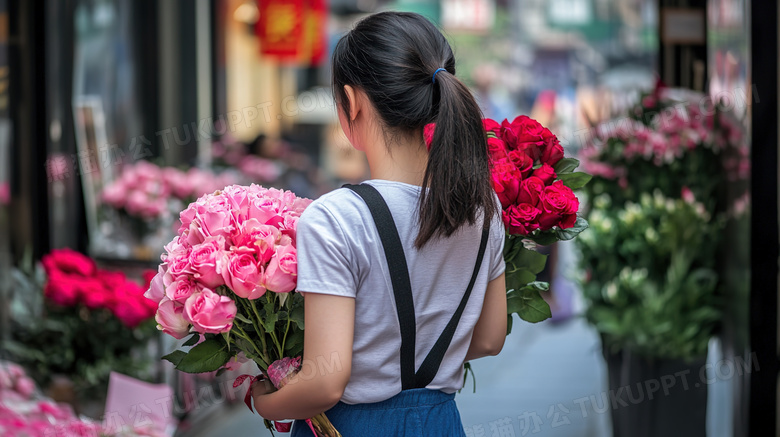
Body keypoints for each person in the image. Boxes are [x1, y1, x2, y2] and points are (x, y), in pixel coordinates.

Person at [251, 11, 508, 436]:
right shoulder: (484, 210)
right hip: (441, 423)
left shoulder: (337, 217)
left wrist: (265, 402)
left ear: (352, 102)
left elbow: (325, 381)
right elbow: (488, 339)